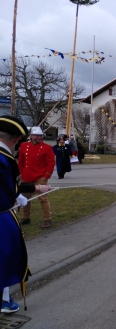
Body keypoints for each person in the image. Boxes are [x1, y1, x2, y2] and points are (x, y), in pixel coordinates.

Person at [0, 115, 51, 313]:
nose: (34, 139)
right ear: (17, 139)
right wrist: (14, 196)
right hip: (3, 216)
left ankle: (5, 299)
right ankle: (3, 301)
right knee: (7, 257)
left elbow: (8, 184)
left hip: (32, 181)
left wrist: (23, 190)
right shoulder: (4, 158)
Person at [18, 126, 55, 228]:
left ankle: (47, 219)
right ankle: (26, 217)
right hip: (26, 176)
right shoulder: (24, 146)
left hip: (40, 177)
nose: (39, 137)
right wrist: (21, 172)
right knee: (25, 199)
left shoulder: (47, 148)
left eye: (40, 135)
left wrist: (46, 176)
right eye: (36, 135)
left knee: (43, 198)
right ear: (31, 136)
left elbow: (51, 163)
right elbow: (21, 161)